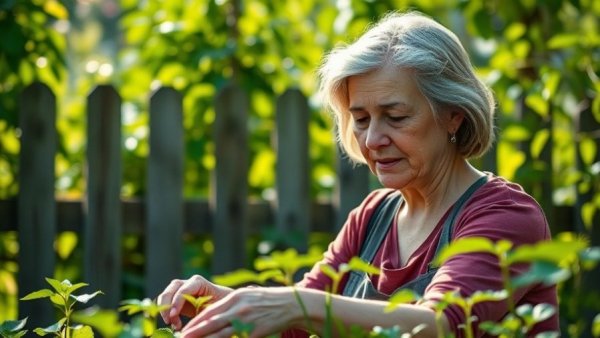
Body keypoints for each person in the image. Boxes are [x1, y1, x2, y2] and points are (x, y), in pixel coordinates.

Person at [157, 11, 559, 338]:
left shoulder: (505, 214)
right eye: (361, 119)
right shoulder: (373, 216)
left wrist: (291, 305)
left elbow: (442, 325)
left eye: (395, 116)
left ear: (453, 114)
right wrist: (225, 304)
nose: (372, 139)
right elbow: (301, 319)